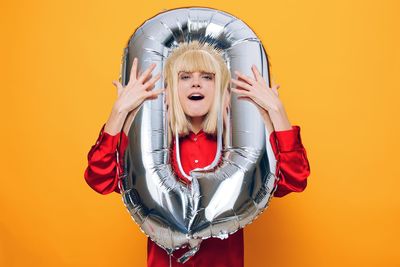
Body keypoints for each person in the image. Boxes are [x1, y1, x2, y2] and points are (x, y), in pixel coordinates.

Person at [84, 41, 311, 267]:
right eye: (184, 77)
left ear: (221, 88)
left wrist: (277, 113)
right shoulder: (152, 152)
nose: (196, 84)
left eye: (207, 76)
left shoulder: (238, 152)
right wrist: (119, 111)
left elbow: (292, 180)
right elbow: (100, 179)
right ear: (171, 88)